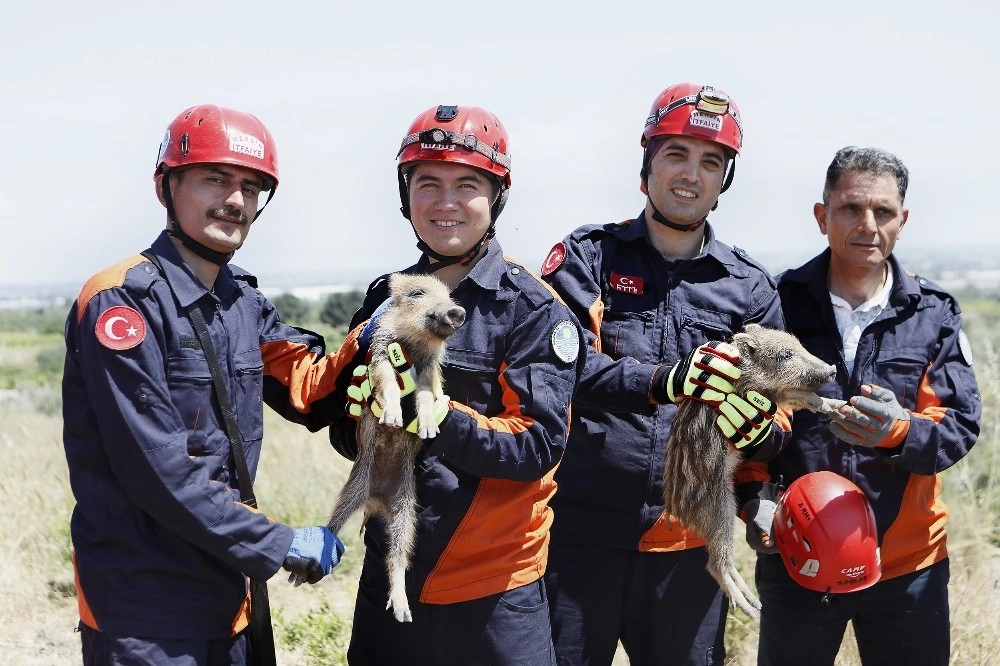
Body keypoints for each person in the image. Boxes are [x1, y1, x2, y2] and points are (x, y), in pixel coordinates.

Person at [62, 104, 351, 666]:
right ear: (164, 186)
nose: (235, 200)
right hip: (144, 605)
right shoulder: (121, 302)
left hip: (230, 591)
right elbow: (156, 473)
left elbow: (309, 385)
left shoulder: (239, 300)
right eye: (214, 178)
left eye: (251, 186)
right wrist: (278, 543)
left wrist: (380, 340)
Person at [326, 104, 586, 665]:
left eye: (466, 185)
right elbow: (352, 443)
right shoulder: (385, 299)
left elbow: (538, 445)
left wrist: (439, 418)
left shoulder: (534, 311)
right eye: (428, 184)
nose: (445, 203)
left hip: (493, 598)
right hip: (390, 578)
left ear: (496, 197)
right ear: (406, 196)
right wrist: (358, 419)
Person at [539, 83, 787, 665]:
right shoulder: (587, 258)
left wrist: (758, 432)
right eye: (676, 154)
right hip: (578, 536)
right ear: (646, 162)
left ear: (724, 181)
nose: (690, 175)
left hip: (689, 545)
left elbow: (779, 424)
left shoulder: (749, 287)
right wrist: (663, 380)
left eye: (711, 162)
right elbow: (559, 372)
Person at [738, 146, 981, 665]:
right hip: (795, 555)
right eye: (850, 208)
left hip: (907, 566)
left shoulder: (934, 313)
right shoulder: (776, 303)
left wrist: (899, 432)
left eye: (883, 211)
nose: (867, 224)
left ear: (903, 220)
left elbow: (958, 426)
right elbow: (748, 415)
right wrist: (752, 495)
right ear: (821, 215)